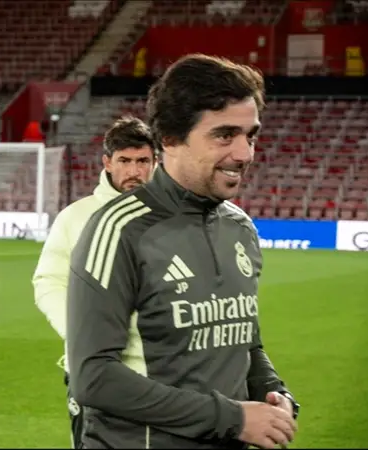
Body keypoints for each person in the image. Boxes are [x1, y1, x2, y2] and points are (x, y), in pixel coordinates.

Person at [66, 53, 301, 449]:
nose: (245, 153)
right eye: (224, 135)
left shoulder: (240, 229)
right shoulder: (119, 229)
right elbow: (93, 377)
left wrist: (273, 391)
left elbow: (245, 343)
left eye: (250, 136)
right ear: (171, 139)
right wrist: (232, 418)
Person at [31, 115, 158, 448]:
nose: (134, 171)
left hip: (162, 376)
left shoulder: (173, 217)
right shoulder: (76, 217)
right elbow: (48, 282)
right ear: (107, 163)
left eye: (142, 161)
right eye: (125, 161)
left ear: (155, 163)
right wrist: (80, 333)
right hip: (94, 370)